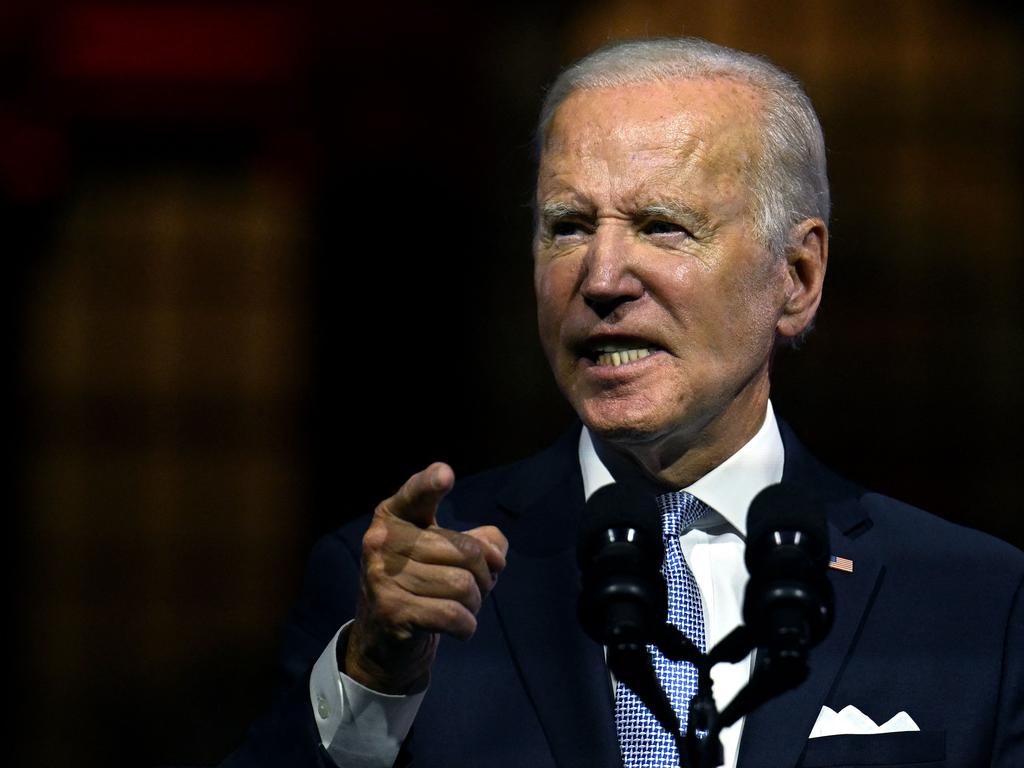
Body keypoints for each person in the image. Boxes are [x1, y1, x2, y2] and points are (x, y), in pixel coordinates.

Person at [223, 37, 1024, 768]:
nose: (602, 279)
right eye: (568, 227)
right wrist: (373, 679)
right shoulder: (407, 589)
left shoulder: (973, 600)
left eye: (663, 226)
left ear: (798, 278)